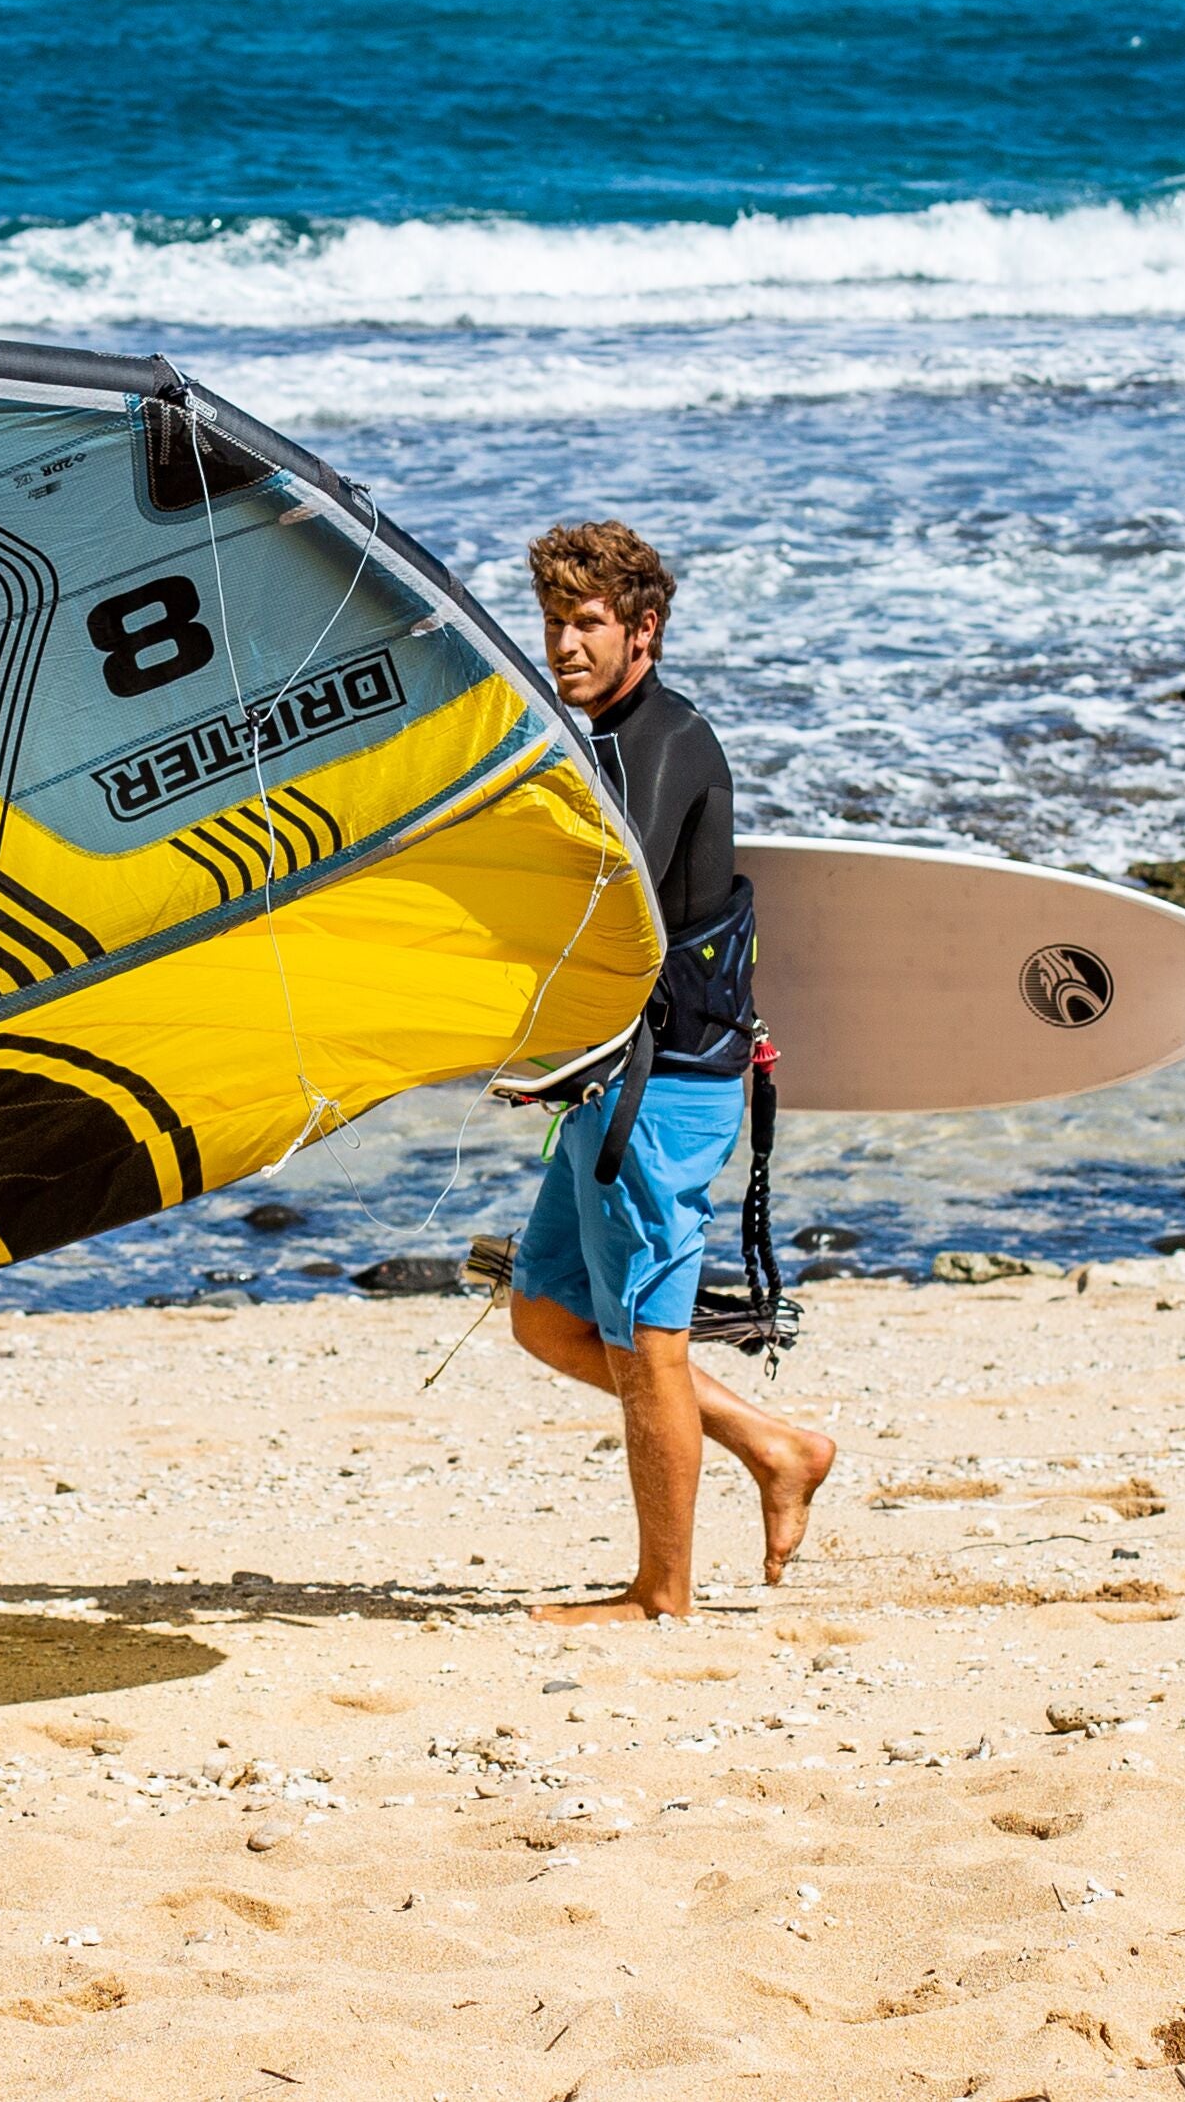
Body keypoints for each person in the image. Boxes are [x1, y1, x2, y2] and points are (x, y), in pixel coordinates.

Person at [509, 520, 838, 1622]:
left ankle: (662, 1591)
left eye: (588, 623)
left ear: (643, 630)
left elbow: (614, 903)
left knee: (646, 1343)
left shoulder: (665, 740)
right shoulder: (586, 733)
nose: (563, 643)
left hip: (662, 1089)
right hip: (606, 1076)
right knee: (546, 1313)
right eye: (554, 621)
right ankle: (771, 1441)